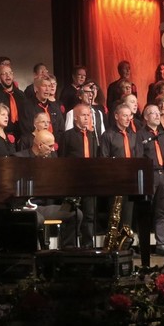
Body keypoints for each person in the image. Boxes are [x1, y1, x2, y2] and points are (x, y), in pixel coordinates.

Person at [14, 130, 82, 248]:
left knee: (75, 213)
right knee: (36, 219)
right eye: (50, 146)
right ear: (40, 145)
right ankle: (36, 254)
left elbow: (58, 186)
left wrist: (69, 199)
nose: (53, 149)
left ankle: (68, 252)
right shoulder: (19, 159)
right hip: (25, 206)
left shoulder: (51, 161)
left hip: (44, 206)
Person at [140, 104, 164, 257]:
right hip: (149, 175)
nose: (157, 115)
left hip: (163, 176)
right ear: (145, 117)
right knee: (146, 211)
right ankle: (143, 245)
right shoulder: (141, 135)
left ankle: (161, 244)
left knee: (161, 212)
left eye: (158, 113)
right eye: (153, 113)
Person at [59, 103, 98, 247]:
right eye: (83, 115)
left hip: (90, 181)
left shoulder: (94, 136)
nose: (87, 118)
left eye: (89, 115)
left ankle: (87, 246)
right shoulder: (67, 136)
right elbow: (62, 159)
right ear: (75, 118)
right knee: (71, 213)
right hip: (73, 181)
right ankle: (69, 246)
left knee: (89, 215)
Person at [100, 103, 142, 230]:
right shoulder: (108, 135)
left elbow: (138, 158)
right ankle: (112, 247)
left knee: (127, 218)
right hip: (115, 181)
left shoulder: (134, 135)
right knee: (114, 217)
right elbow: (104, 158)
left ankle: (126, 246)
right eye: (125, 115)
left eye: (130, 116)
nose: (128, 119)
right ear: (116, 116)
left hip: (130, 181)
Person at [21, 75, 64, 143]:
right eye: (44, 86)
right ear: (36, 88)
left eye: (49, 86)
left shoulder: (55, 107)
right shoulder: (27, 106)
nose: (47, 89)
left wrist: (54, 143)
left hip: (53, 146)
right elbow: (27, 129)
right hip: (35, 144)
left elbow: (61, 129)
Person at [0, 64, 25, 138]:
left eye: (10, 73)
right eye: (4, 74)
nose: (8, 76)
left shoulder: (21, 95)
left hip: (20, 134)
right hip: (2, 133)